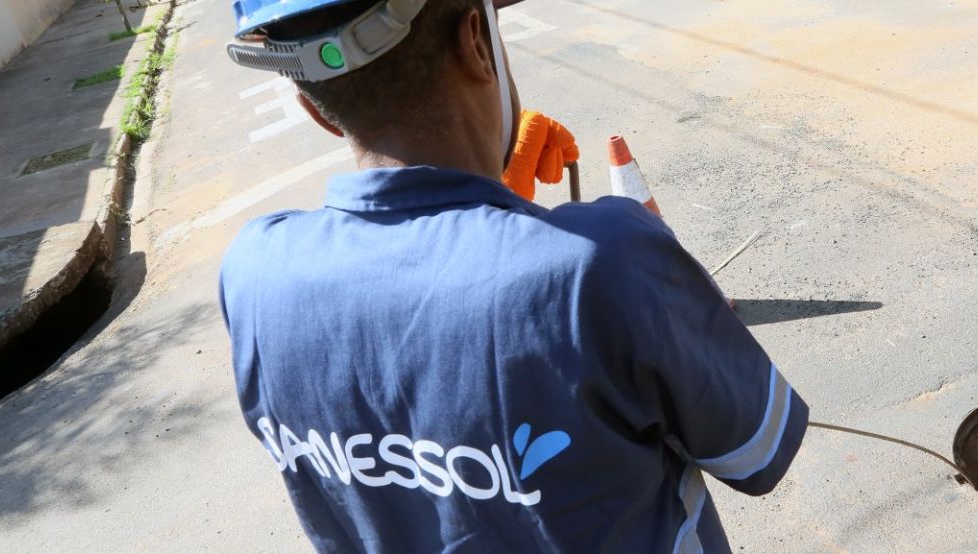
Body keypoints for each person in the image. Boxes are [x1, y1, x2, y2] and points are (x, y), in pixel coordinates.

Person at [217, 0, 809, 552]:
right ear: (477, 42)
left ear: (312, 107)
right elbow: (756, 454)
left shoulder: (253, 273)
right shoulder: (604, 261)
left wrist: (497, 210)